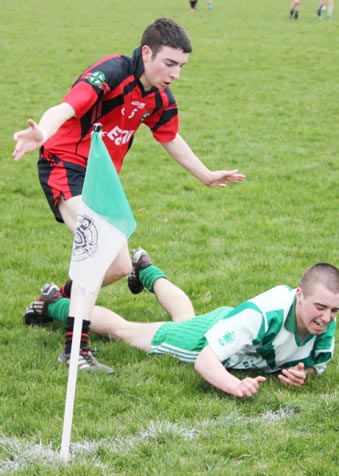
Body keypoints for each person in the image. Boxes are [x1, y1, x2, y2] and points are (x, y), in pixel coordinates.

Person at [12, 18, 245, 373]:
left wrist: (206, 175)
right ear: (147, 52)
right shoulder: (113, 72)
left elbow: (169, 136)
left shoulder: (159, 97)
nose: (175, 74)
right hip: (66, 164)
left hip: (101, 179)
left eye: (181, 66)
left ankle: (54, 300)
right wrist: (43, 131)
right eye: (169, 63)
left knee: (120, 266)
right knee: (98, 245)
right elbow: (68, 107)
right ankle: (76, 349)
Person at [24, 253, 339, 397]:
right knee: (126, 331)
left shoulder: (324, 320)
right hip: (202, 341)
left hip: (227, 324)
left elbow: (317, 364)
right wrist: (235, 385)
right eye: (320, 307)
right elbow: (206, 361)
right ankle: (54, 303)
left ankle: (148, 272)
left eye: (334, 310)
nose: (326, 317)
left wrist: (304, 373)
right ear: (299, 295)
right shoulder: (266, 314)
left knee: (186, 317)